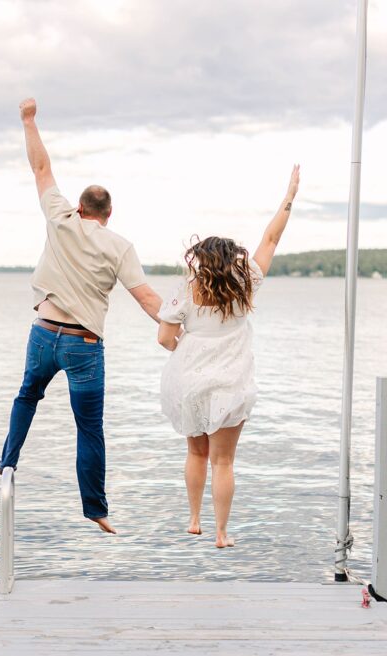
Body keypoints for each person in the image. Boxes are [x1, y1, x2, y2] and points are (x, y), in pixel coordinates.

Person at [0, 98, 163, 534]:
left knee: (27, 395)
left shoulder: (60, 216)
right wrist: (180, 330)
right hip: (84, 345)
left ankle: (8, 460)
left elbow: (40, 168)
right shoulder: (119, 245)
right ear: (108, 215)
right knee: (89, 429)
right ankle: (95, 509)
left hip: (42, 332)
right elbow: (146, 297)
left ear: (80, 206)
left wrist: (29, 121)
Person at [157, 165, 300, 548]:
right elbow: (270, 239)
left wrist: (182, 344)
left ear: (201, 259)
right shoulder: (245, 282)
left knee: (195, 453)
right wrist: (288, 198)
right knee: (224, 462)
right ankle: (221, 534)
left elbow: (164, 337)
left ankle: (193, 519)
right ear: (231, 258)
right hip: (231, 384)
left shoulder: (186, 288)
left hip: (189, 381)